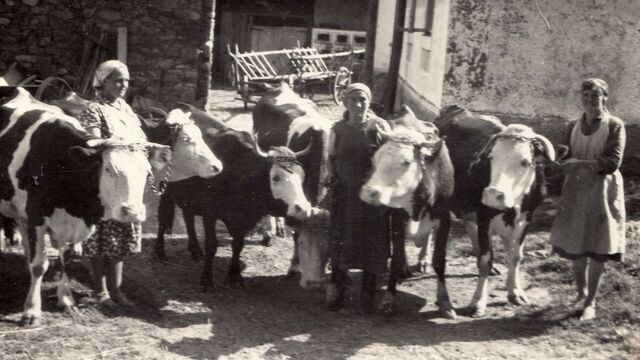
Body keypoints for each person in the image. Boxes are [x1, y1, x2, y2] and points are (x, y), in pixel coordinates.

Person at [550, 78, 626, 321]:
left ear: (605, 98)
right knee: (576, 242)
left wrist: (579, 164)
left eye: (595, 96)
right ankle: (580, 294)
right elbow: (564, 155)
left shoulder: (614, 125)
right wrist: (558, 159)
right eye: (586, 96)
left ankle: (591, 302)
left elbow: (612, 163)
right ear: (580, 99)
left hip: (602, 190)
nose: (590, 101)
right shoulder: (571, 125)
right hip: (575, 189)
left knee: (597, 245)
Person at [77, 60, 148, 308]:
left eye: (126, 81)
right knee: (101, 236)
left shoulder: (126, 109)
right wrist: (115, 141)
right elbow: (93, 141)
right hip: (104, 180)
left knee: (120, 235)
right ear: (103, 81)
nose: (123, 85)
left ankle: (116, 291)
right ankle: (101, 292)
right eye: (117, 80)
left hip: (128, 179)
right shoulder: (93, 108)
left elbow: (140, 136)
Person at [325, 83, 394, 314]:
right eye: (353, 100)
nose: (358, 105)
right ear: (345, 102)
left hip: (372, 199)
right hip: (345, 197)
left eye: (363, 100)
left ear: (369, 101)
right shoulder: (337, 130)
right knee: (341, 242)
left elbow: (390, 159)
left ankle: (367, 294)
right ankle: (337, 290)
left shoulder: (380, 127)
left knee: (372, 245)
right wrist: (332, 177)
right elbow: (331, 158)